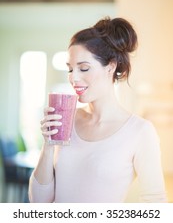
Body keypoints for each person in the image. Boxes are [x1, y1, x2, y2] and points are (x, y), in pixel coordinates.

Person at [28, 17, 167, 203]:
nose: (73, 78)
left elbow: (155, 203)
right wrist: (48, 145)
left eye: (83, 68)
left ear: (110, 67)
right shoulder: (67, 121)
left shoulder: (140, 131)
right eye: (70, 70)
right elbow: (38, 202)